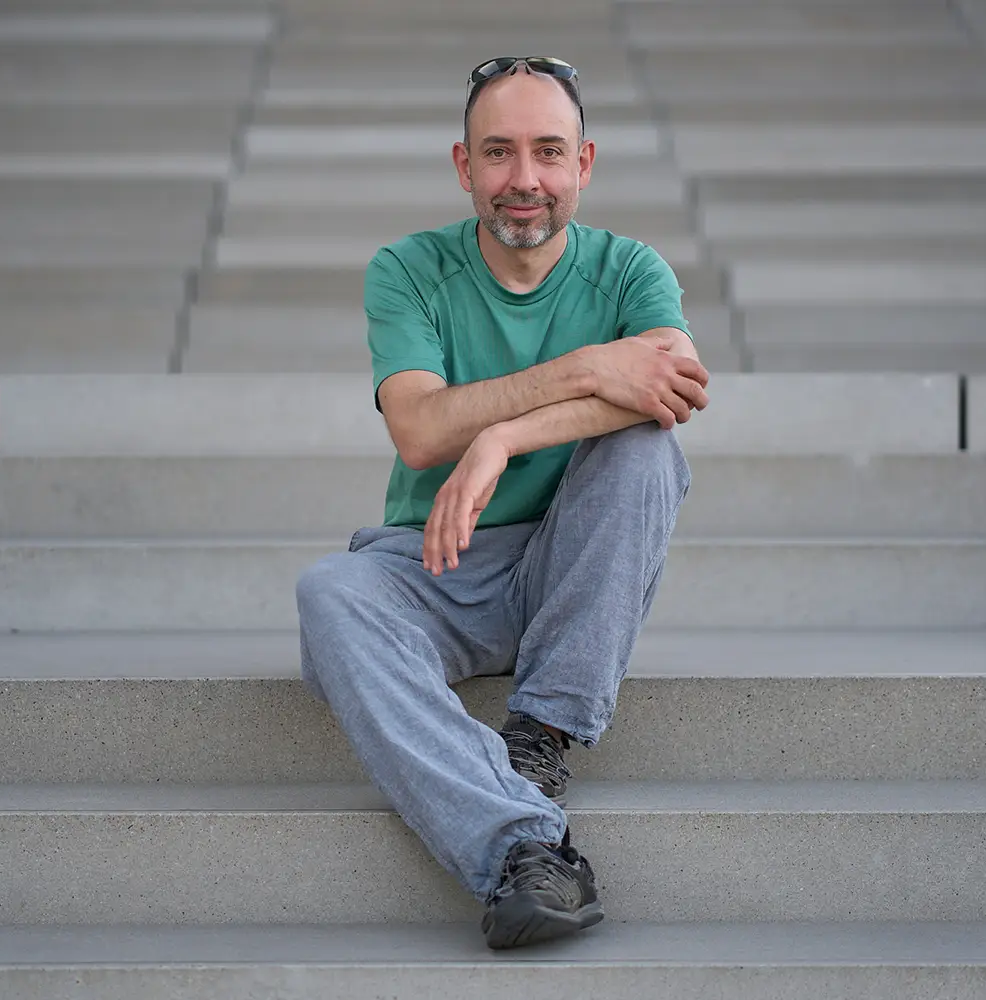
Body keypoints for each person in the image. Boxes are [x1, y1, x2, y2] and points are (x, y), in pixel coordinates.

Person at [295, 55, 710, 950]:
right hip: (439, 566)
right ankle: (527, 846)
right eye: (500, 153)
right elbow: (417, 429)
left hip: (574, 562)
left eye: (549, 153)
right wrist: (591, 369)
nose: (525, 180)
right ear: (463, 165)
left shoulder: (631, 270)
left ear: (585, 164)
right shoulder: (406, 270)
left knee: (646, 446)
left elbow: (672, 389)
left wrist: (500, 435)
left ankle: (541, 730)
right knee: (329, 594)